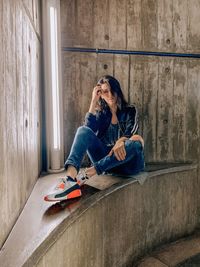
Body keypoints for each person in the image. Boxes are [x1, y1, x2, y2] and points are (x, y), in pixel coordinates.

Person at [44, 75, 145, 202]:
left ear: (117, 90)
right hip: (106, 163)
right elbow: (86, 133)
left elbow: (132, 130)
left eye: (112, 90)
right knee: (82, 130)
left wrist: (121, 141)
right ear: (101, 94)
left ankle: (86, 174)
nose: (110, 94)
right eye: (105, 92)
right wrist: (93, 101)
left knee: (136, 143)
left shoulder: (130, 110)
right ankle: (70, 180)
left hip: (128, 165)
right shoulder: (101, 115)